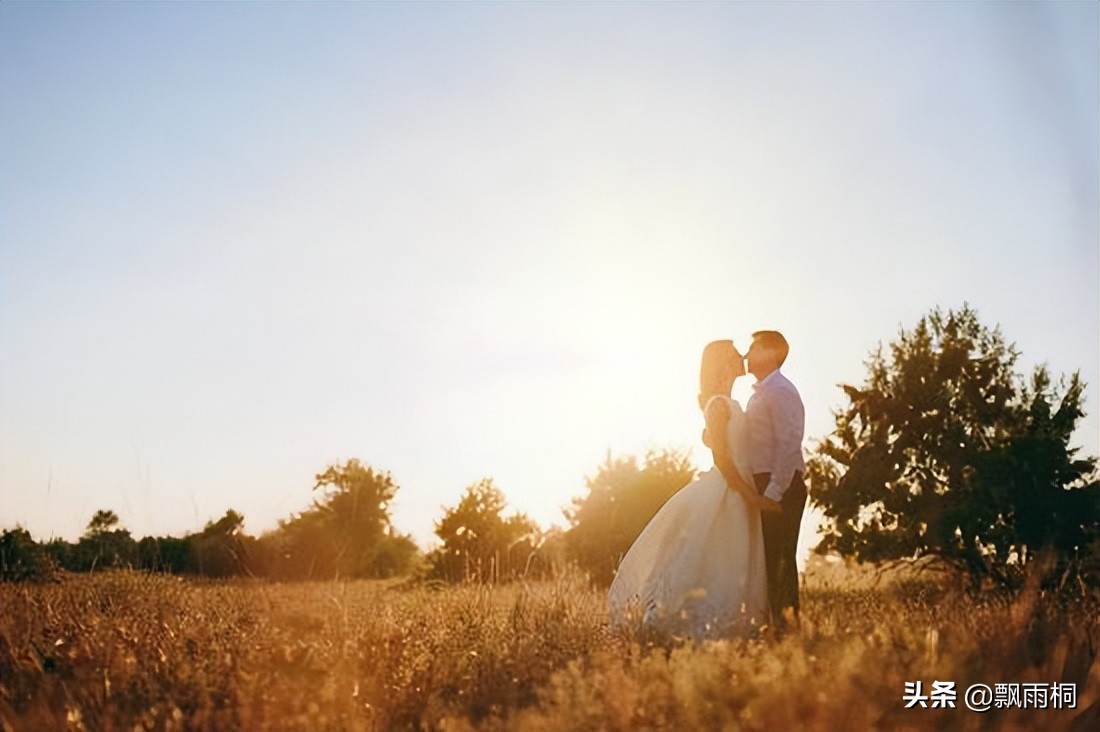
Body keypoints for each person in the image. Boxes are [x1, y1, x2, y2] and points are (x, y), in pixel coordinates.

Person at [607, 340, 768, 641]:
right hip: (728, 491)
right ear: (722, 361)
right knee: (719, 558)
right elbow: (722, 457)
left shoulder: (733, 403)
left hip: (742, 487)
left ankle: (738, 626)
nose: (742, 355)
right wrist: (748, 495)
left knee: (735, 561)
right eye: (735, 351)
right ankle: (689, 625)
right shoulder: (717, 404)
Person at [743, 330, 807, 634]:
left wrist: (773, 492)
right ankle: (775, 628)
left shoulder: (781, 391)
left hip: (780, 485)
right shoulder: (761, 393)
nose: (747, 353)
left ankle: (787, 631)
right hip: (765, 483)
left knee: (780, 561)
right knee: (768, 562)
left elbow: (789, 443)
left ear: (770, 353)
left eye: (753, 348)